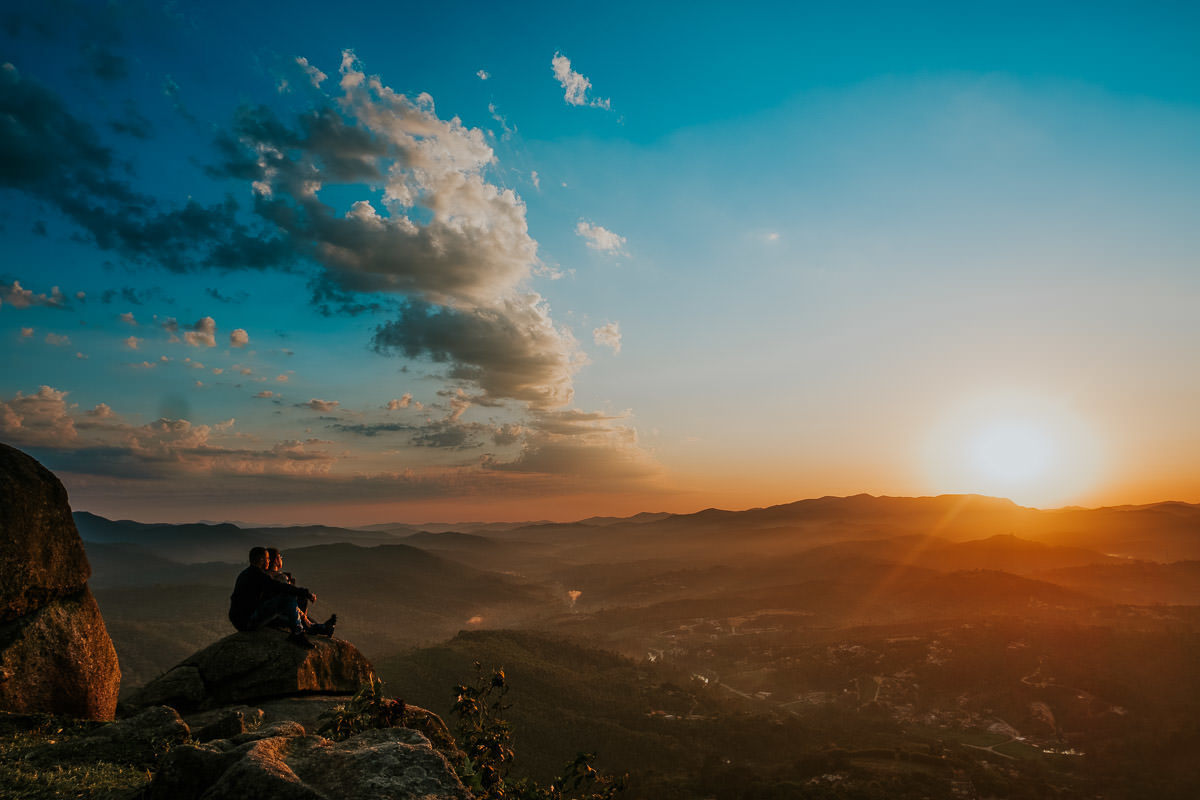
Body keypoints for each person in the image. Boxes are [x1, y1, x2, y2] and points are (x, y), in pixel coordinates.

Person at [228, 546, 324, 648]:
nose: (269, 561)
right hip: (248, 621)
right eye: (267, 558)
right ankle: (297, 633)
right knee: (287, 598)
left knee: (286, 614)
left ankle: (317, 628)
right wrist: (305, 593)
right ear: (261, 560)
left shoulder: (245, 574)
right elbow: (280, 587)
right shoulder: (257, 576)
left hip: (239, 620)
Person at [265, 547, 336, 638]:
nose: (281, 559)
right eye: (280, 557)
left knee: (303, 608)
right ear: (275, 560)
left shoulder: (264, 576)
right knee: (301, 601)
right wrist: (303, 617)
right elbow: (288, 601)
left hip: (272, 614)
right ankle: (318, 628)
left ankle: (321, 627)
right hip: (277, 616)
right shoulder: (280, 578)